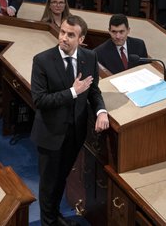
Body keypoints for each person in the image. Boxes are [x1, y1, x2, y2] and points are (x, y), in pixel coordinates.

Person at [30, 15, 108, 226]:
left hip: (75, 133)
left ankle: (54, 217)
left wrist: (101, 111)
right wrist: (72, 92)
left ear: (81, 39)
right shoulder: (42, 60)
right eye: (62, 32)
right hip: (50, 134)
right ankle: (48, 222)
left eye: (70, 35)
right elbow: (39, 100)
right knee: (48, 183)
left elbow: (93, 91)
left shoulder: (90, 57)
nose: (63, 37)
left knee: (61, 178)